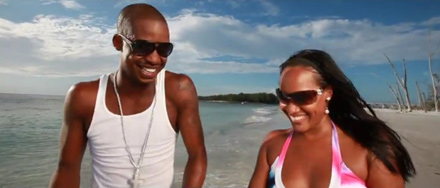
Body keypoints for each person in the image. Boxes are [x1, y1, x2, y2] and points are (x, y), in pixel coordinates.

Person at [49, 3, 207, 188]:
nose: (154, 59)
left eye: (163, 49)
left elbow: (197, 155)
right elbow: (67, 168)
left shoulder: (179, 90)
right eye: (142, 47)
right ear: (118, 43)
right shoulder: (84, 98)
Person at [248, 49, 415, 188]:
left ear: (328, 93)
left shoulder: (369, 147)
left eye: (303, 96)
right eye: (283, 96)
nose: (290, 108)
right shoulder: (272, 145)